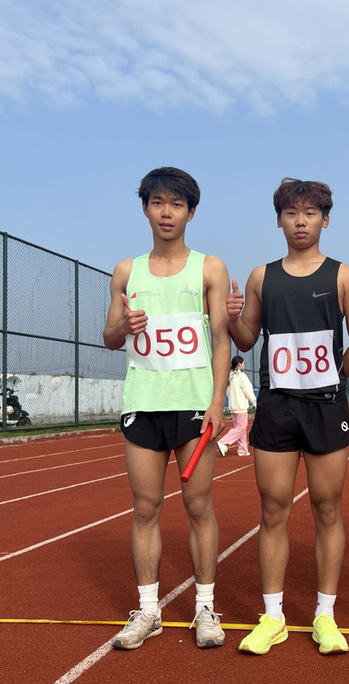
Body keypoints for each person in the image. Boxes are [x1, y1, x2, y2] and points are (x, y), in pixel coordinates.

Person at [227, 178, 349, 655]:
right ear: (279, 220)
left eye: (310, 213)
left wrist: (335, 376)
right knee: (273, 509)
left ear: (325, 219)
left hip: (326, 405)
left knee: (327, 507)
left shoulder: (344, 276)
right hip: (277, 404)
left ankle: (325, 615)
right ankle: (273, 617)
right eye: (291, 213)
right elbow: (246, 338)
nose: (300, 221)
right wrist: (230, 317)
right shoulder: (261, 277)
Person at [103, 167, 230, 650]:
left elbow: (222, 340)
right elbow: (109, 337)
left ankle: (205, 607)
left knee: (199, 506)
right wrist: (124, 327)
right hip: (144, 404)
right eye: (157, 203)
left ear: (191, 212)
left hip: (194, 406)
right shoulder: (126, 271)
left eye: (176, 204)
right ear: (145, 208)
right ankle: (149, 609)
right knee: (145, 507)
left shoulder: (209, 268)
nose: (166, 212)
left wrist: (217, 401)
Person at [217, 355, 257, 456]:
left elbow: (227, 392)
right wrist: (254, 402)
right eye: (243, 363)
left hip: (233, 407)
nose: (244, 365)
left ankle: (242, 449)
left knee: (240, 428)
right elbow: (248, 390)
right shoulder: (242, 376)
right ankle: (223, 442)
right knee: (241, 428)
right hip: (240, 407)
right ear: (239, 364)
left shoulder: (230, 377)